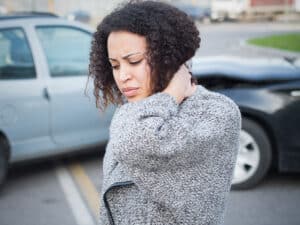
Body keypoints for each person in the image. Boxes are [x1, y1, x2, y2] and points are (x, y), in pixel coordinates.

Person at [88, 1, 241, 225]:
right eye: (115, 65)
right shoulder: (138, 109)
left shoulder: (217, 112)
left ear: (169, 56)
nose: (122, 76)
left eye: (134, 61)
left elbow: (136, 142)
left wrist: (170, 95)